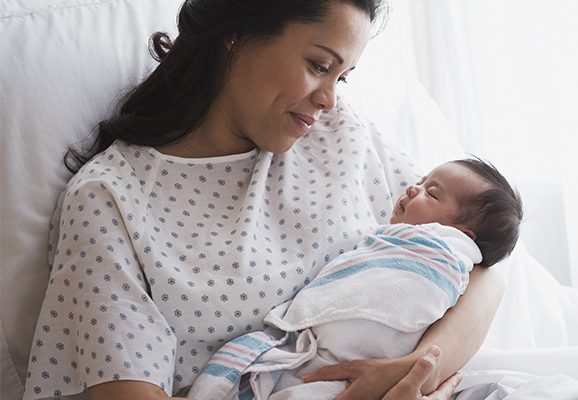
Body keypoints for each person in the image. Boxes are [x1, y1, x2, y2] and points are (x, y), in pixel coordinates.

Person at [22, 1, 505, 399]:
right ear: (238, 32)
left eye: (343, 77)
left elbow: (480, 268)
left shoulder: (341, 135)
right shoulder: (111, 201)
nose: (329, 100)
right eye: (319, 66)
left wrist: (411, 371)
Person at [187, 158, 523, 400]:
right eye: (421, 181)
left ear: (460, 235)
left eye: (431, 193)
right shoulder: (394, 240)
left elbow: (479, 281)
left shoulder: (441, 254)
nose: (411, 187)